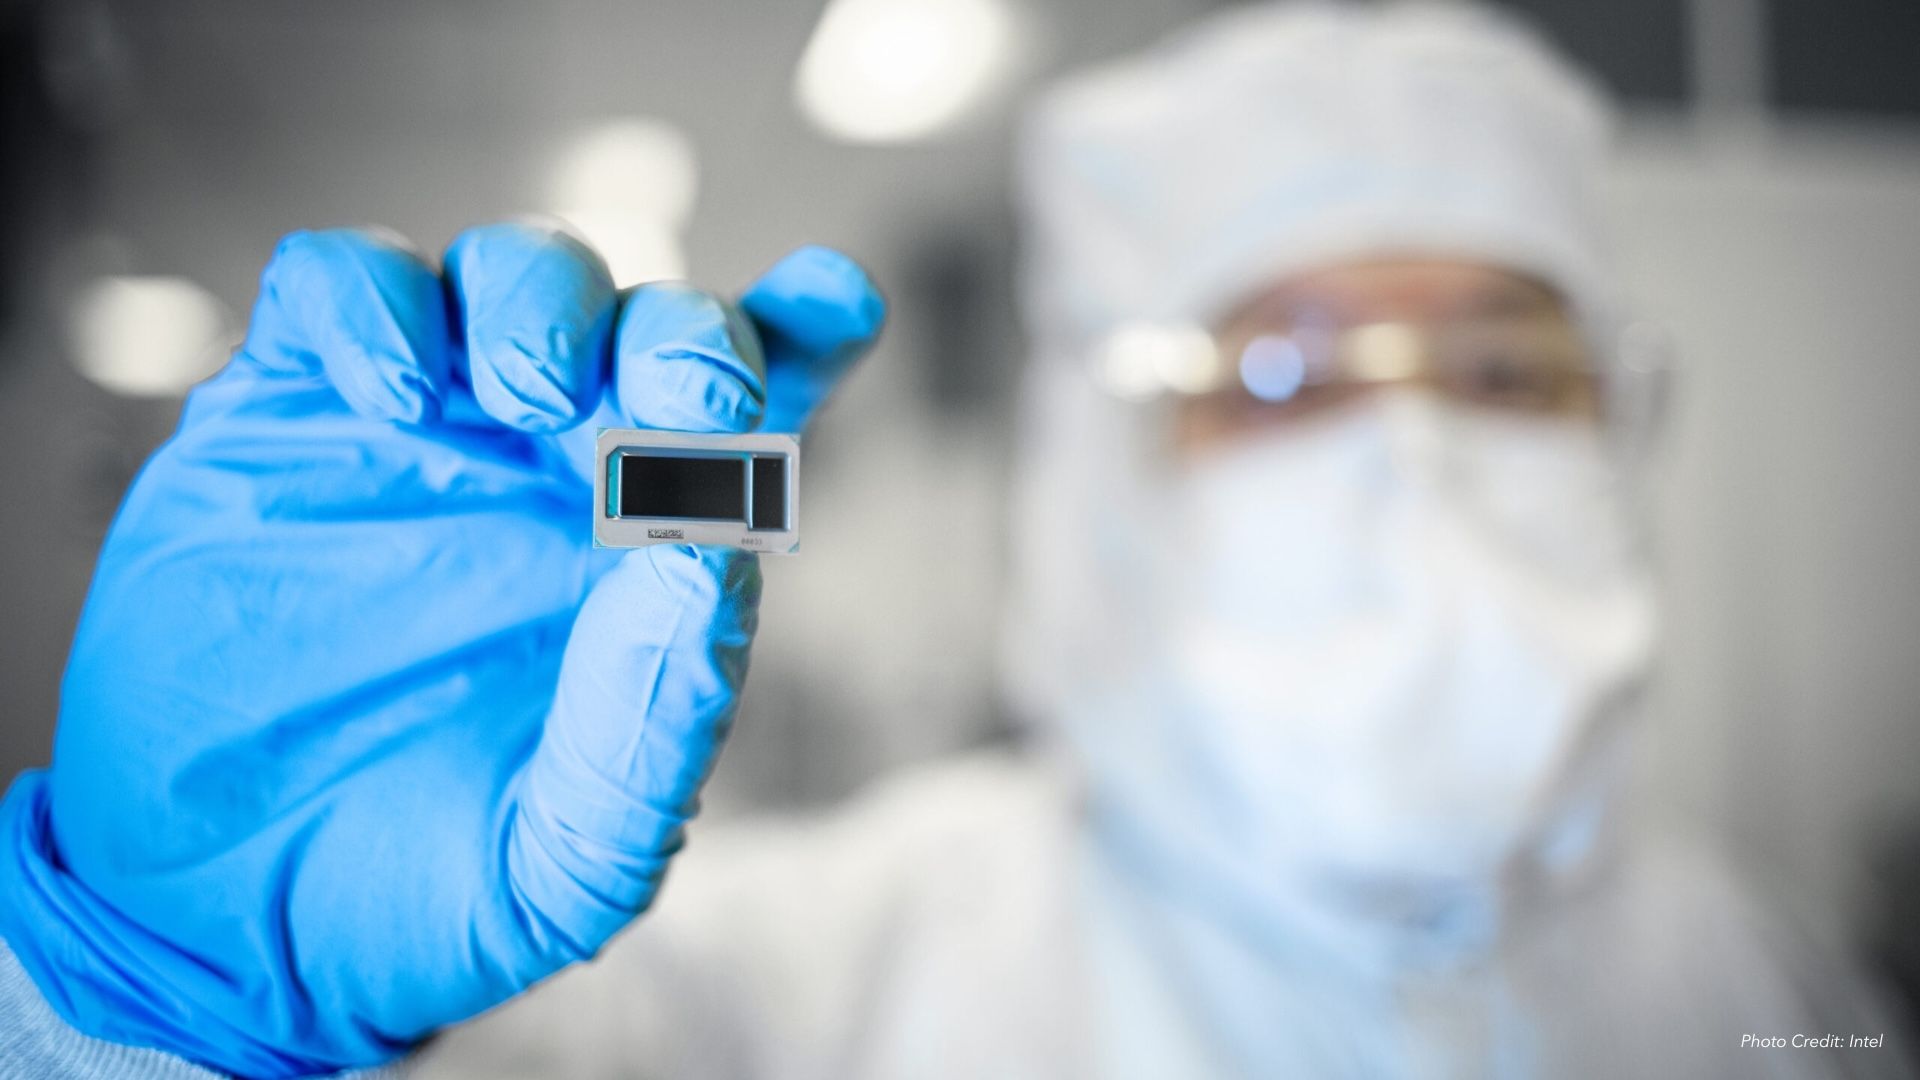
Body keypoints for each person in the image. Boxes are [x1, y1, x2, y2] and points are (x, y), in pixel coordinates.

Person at [0, 3, 1907, 1078]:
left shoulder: (1757, 974)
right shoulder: (802, 984)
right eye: (1288, 374)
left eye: (1504, 368)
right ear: (1102, 465)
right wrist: (146, 1013)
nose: (1409, 452)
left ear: (1629, 415)